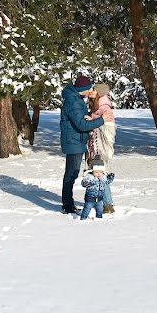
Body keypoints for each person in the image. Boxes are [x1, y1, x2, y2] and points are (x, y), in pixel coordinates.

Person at [60, 74, 111, 214]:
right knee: (71, 174)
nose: (91, 91)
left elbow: (80, 119)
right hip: (74, 142)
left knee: (72, 173)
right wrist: (102, 120)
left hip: (76, 140)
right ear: (84, 89)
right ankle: (67, 206)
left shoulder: (75, 99)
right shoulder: (74, 102)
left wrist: (89, 116)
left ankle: (68, 204)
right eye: (89, 88)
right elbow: (81, 125)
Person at [86, 83, 117, 213]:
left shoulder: (104, 107)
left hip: (100, 147)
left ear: (99, 93)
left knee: (100, 173)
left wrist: (93, 122)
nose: (91, 91)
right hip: (95, 145)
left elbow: (109, 128)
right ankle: (104, 203)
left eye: (94, 89)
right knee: (98, 173)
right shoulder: (96, 105)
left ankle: (108, 204)